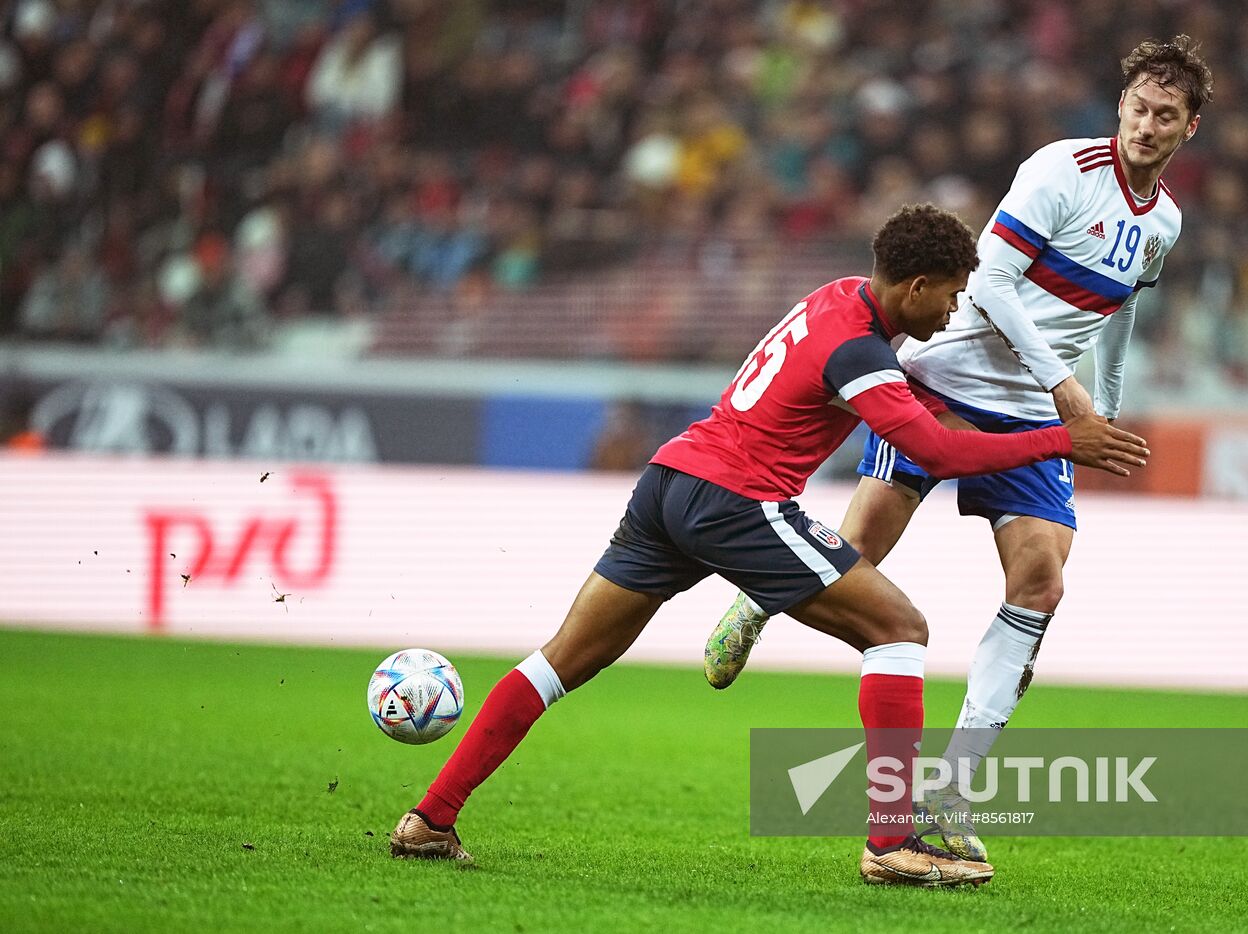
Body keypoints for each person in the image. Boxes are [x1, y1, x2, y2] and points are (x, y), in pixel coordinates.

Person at [389, 204, 1150, 887]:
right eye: (951, 292)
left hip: (670, 481)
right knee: (899, 629)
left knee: (561, 661)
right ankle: (892, 843)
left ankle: (430, 818)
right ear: (915, 287)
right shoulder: (856, 350)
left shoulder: (837, 297)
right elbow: (938, 454)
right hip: (735, 500)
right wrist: (1062, 439)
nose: (956, 309)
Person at [703, 36, 1213, 863]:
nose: (1146, 127)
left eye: (1166, 116)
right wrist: (1061, 384)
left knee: (1043, 578)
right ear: (1119, 106)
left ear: (1190, 128)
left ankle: (954, 789)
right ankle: (761, 599)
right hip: (946, 377)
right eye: (1138, 109)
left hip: (1037, 418)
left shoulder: (1167, 224)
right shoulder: (1059, 171)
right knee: (859, 548)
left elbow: (1118, 311)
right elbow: (993, 283)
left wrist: (1104, 404)